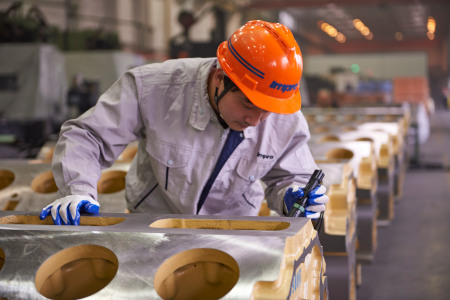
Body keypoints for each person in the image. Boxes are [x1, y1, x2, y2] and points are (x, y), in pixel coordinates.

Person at [40, 20, 329, 225]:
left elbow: (290, 176)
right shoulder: (152, 88)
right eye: (247, 104)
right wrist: (78, 189)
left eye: (268, 111)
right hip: (154, 225)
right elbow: (87, 136)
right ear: (220, 79)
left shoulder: (282, 111)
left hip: (235, 230)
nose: (256, 120)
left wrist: (293, 194)